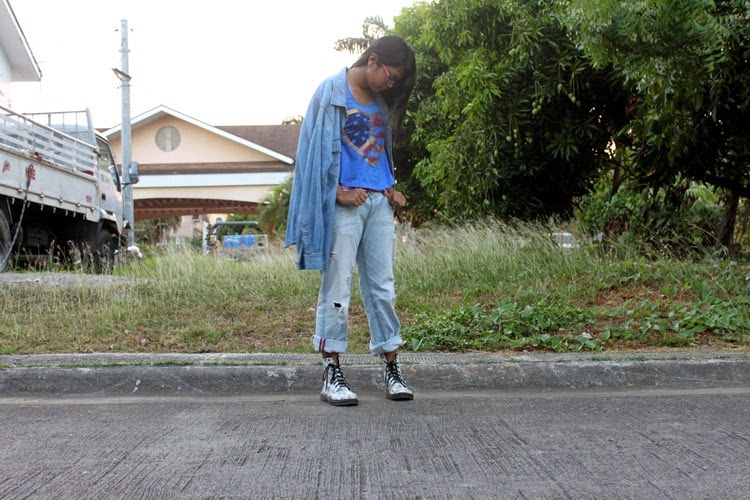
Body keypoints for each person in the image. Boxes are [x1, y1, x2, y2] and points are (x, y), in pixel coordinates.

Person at [285, 36, 417, 406]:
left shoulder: (379, 102)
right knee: (337, 289)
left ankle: (392, 369)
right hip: (345, 207)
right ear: (373, 60)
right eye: (391, 76)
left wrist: (390, 188)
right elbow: (310, 155)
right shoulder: (330, 93)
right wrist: (337, 194)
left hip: (378, 205)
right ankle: (332, 372)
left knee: (383, 289)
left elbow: (376, 154)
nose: (391, 85)